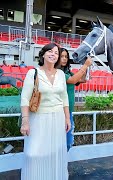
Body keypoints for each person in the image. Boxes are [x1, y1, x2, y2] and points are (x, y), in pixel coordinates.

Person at [20, 43, 71, 180]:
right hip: (38, 119)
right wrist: (25, 122)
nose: (53, 54)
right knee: (33, 154)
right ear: (43, 54)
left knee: (55, 153)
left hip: (58, 118)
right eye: (50, 51)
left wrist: (67, 119)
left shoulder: (61, 74)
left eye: (56, 52)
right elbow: (25, 99)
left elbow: (64, 98)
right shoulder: (33, 73)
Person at [56, 47, 92, 151]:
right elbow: (72, 80)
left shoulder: (66, 72)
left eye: (66, 57)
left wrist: (85, 65)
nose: (64, 59)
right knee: (65, 141)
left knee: (68, 142)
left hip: (68, 111)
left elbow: (82, 80)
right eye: (61, 56)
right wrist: (85, 66)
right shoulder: (58, 72)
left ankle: (61, 162)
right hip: (59, 111)